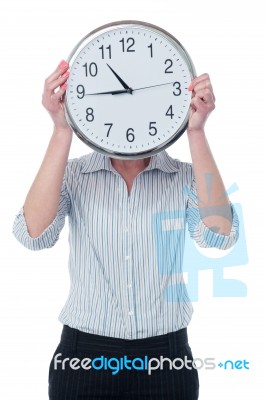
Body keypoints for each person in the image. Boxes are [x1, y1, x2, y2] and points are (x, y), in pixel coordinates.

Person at [12, 59, 239, 400]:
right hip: (85, 355)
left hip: (166, 357)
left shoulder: (183, 176)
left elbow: (219, 235)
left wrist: (196, 131)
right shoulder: (75, 175)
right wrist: (62, 130)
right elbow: (33, 234)